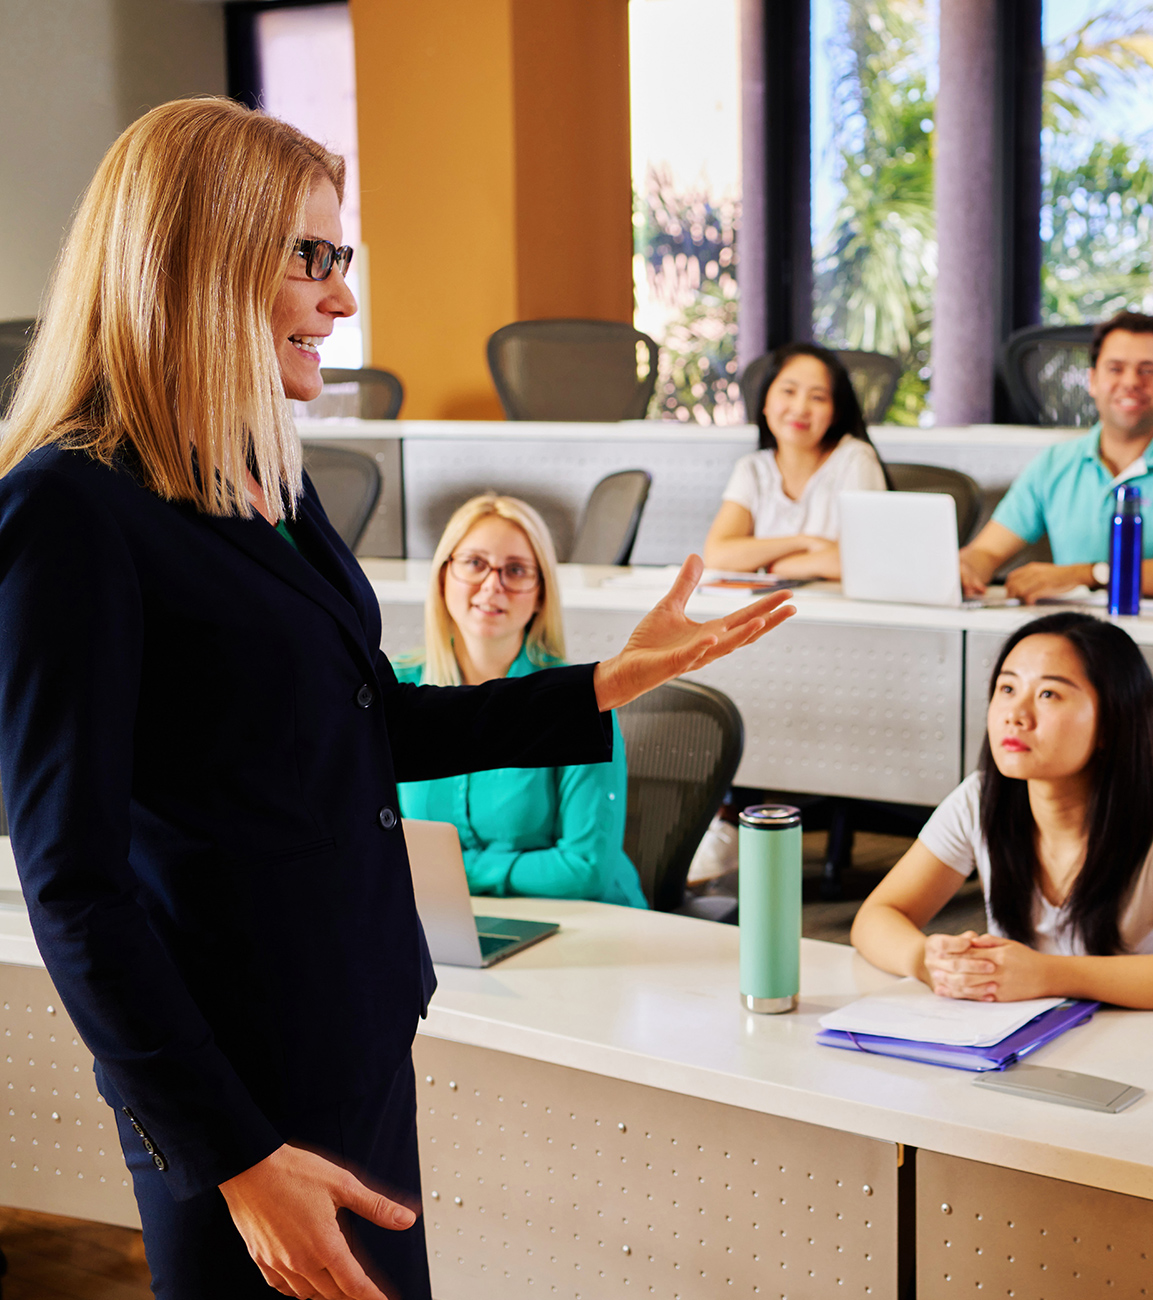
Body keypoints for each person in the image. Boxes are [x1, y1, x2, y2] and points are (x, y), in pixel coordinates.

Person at [0, 99, 792, 1300]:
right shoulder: (71, 509)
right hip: (237, 1085)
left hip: (350, 1028)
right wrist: (239, 1159)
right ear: (199, 261)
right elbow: (73, 883)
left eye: (340, 257)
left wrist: (605, 683)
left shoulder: (260, 476)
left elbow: (372, 721)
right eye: (310, 258)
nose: (343, 300)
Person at [851, 612, 1153, 1009]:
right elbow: (877, 917)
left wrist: (1047, 974)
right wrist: (927, 961)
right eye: (1007, 688)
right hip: (1016, 1043)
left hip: (1138, 1047)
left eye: (1048, 694)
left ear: (1110, 722)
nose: (1015, 714)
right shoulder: (980, 799)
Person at [394, 494, 646, 907]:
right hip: (446, 922)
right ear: (442, 576)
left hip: (585, 922)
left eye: (515, 570)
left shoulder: (577, 700)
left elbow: (585, 870)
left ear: (541, 595)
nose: (493, 586)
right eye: (474, 563)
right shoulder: (397, 692)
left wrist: (455, 870)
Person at [957, 312, 1153, 603]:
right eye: (1115, 368)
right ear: (1093, 381)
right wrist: (968, 567)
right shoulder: (1054, 463)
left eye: (1147, 370)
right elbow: (986, 551)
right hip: (1069, 631)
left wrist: (1087, 575)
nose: (1130, 381)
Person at [702, 342, 886, 580]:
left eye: (818, 397)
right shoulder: (753, 468)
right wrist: (804, 542)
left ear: (835, 412)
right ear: (765, 401)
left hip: (837, 613)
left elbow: (861, 560)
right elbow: (718, 557)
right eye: (788, 391)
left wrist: (774, 566)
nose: (800, 408)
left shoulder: (855, 459)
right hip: (769, 612)